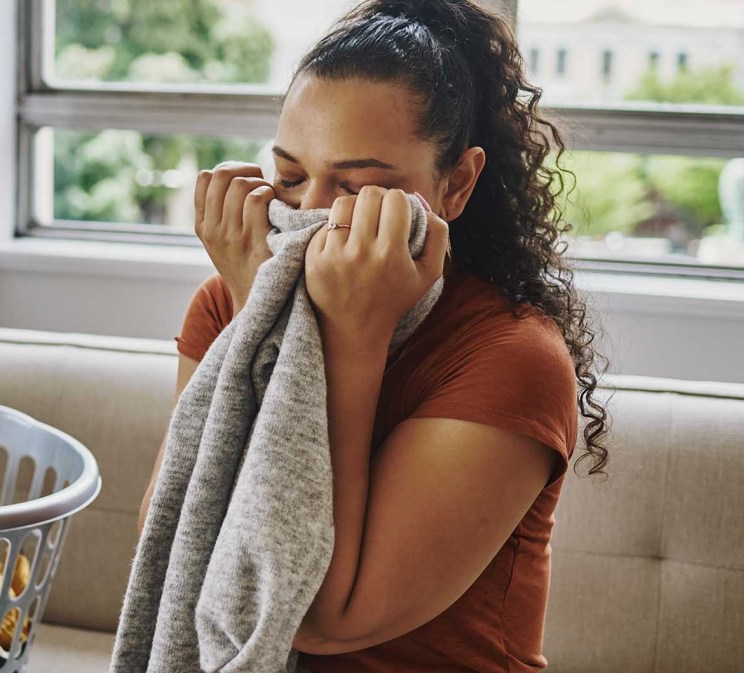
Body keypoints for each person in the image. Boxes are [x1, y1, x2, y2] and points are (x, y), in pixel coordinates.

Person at [137, 0, 610, 670]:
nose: (308, 215)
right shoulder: (229, 299)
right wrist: (258, 318)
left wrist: (348, 341)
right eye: (290, 177)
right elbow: (176, 541)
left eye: (357, 188)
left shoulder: (512, 359)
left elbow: (320, 615)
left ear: (455, 185)